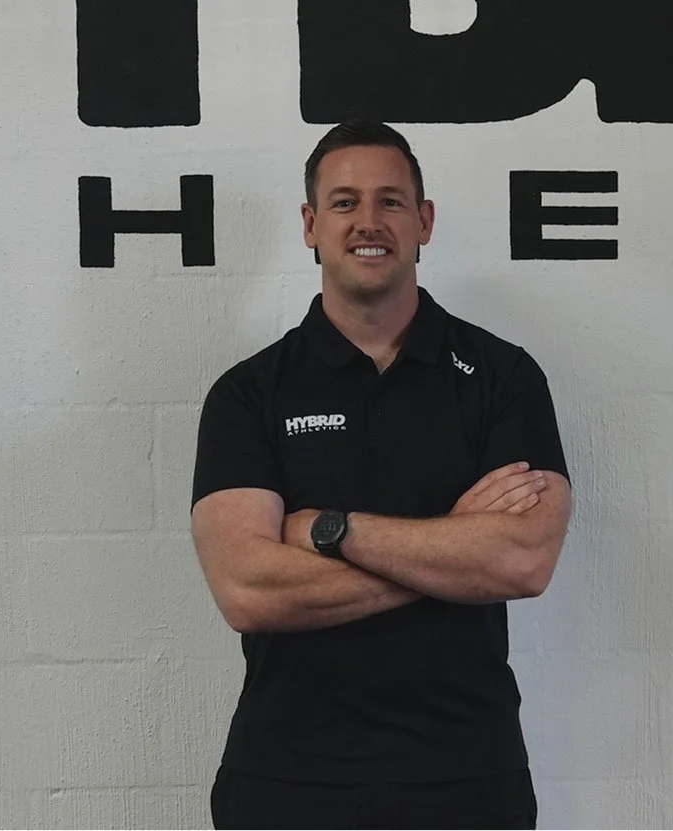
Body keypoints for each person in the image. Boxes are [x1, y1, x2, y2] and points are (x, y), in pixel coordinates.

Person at [190, 120, 572, 830]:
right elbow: (247, 588)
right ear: (311, 225)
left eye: (391, 201)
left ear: (424, 221)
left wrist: (329, 530)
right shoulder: (248, 394)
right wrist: (454, 547)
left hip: (467, 779)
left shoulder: (503, 377)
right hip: (286, 781)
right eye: (344, 202)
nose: (369, 221)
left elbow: (522, 559)